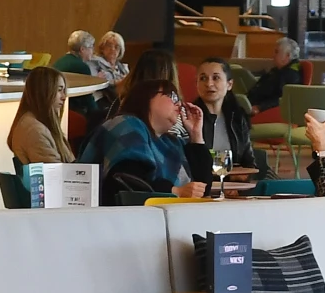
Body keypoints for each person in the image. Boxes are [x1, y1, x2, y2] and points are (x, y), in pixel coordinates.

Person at [79, 79, 212, 203]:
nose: (179, 104)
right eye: (171, 96)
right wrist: (175, 191)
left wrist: (196, 134)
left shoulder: (172, 143)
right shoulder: (127, 124)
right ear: (147, 98)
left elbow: (202, 188)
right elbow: (127, 180)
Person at [194, 57, 272, 179]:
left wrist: (243, 179)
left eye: (216, 78)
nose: (209, 84)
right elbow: (189, 166)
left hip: (236, 185)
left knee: (271, 178)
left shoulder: (237, 116)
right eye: (203, 78)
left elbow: (249, 161)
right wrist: (229, 179)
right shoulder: (189, 117)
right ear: (196, 84)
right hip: (201, 186)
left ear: (229, 84)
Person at [7, 66, 74, 164]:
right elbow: (55, 174)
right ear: (44, 91)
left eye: (64, 91)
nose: (64, 97)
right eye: (59, 90)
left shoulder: (35, 122)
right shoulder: (35, 130)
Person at [247, 38, 302, 115]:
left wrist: (260, 107)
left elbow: (283, 99)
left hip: (265, 112)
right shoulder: (277, 71)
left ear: (287, 56)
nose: (273, 55)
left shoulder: (291, 75)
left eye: (276, 52)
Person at [54, 30, 98, 116]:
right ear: (82, 49)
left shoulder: (60, 61)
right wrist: (99, 115)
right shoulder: (81, 67)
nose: (93, 51)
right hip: (72, 112)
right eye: (91, 47)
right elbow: (87, 98)